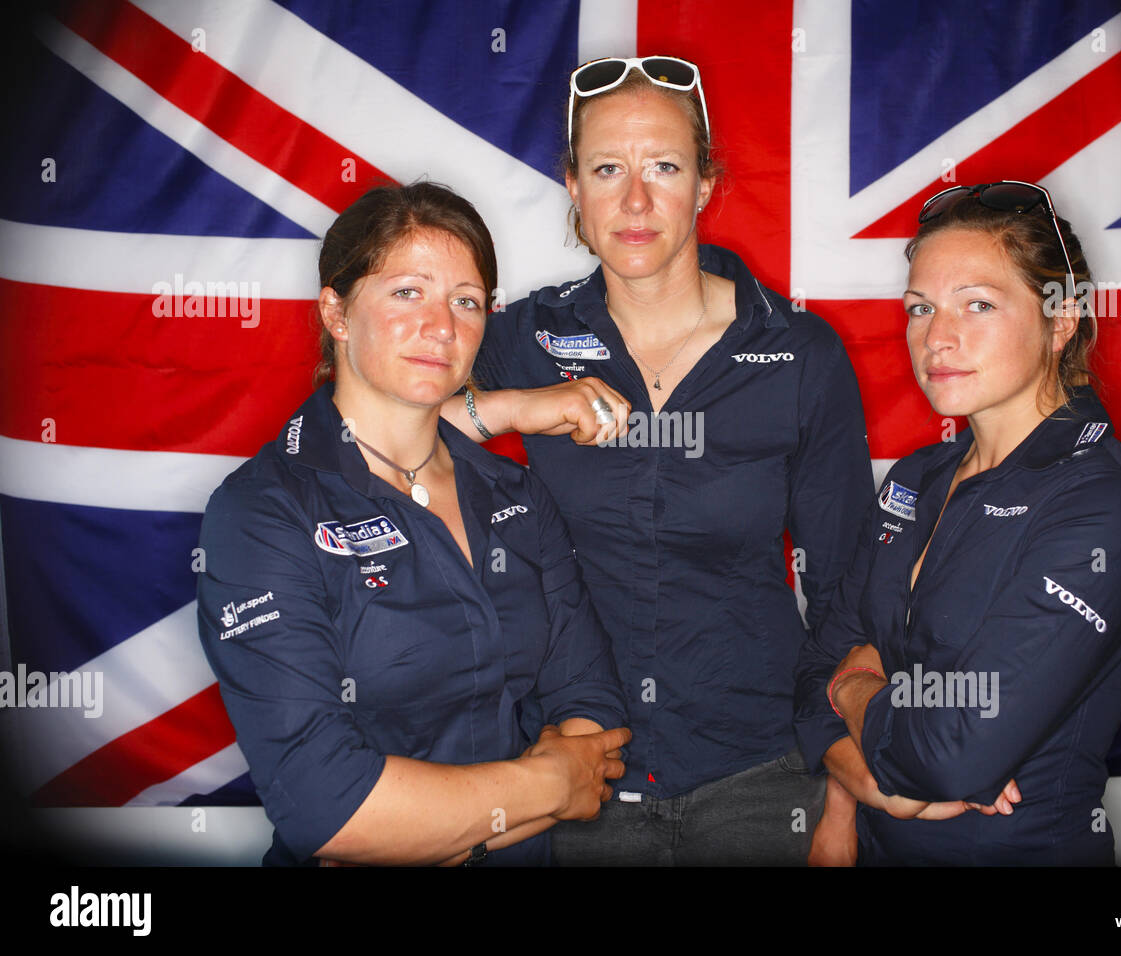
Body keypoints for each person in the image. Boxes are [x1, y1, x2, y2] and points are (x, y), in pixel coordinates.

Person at [444, 57, 872, 864]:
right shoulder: (522, 339)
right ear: (572, 184)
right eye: (608, 169)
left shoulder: (799, 353)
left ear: (705, 184)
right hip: (577, 777)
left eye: (664, 167)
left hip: (760, 777)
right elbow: (372, 434)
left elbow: (851, 591)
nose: (634, 200)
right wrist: (513, 407)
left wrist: (842, 803)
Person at [195, 182, 631, 867]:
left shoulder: (514, 493)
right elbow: (326, 807)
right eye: (407, 292)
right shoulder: (262, 512)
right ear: (335, 311)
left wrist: (432, 832)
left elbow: (592, 711)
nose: (442, 325)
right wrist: (548, 784)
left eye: (466, 300)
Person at [795, 181, 1121, 865]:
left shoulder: (1108, 503)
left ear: (1061, 321)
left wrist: (856, 685)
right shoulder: (915, 477)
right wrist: (867, 790)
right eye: (920, 308)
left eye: (978, 304)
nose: (937, 337)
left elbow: (953, 755)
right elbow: (812, 670)